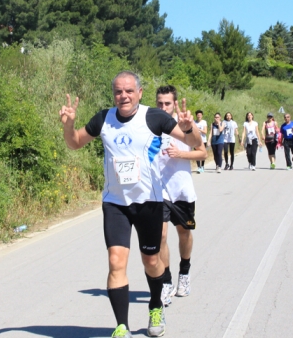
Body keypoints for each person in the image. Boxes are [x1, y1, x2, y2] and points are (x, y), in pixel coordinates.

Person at [60, 71, 202, 338]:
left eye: (128, 91)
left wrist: (187, 127)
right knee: (116, 261)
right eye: (117, 91)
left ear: (139, 93)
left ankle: (156, 305)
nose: (123, 96)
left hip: (149, 202)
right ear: (113, 93)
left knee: (151, 261)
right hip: (116, 203)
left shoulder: (154, 117)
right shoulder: (104, 119)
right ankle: (121, 326)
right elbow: (75, 143)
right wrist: (68, 126)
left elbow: (195, 143)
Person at [155, 86, 206, 307]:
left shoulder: (184, 124)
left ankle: (184, 273)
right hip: (159, 191)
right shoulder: (150, 124)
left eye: (167, 103)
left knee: (184, 233)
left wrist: (181, 153)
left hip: (182, 190)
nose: (163, 107)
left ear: (174, 104)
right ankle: (166, 281)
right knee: (161, 237)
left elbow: (202, 152)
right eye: (160, 103)